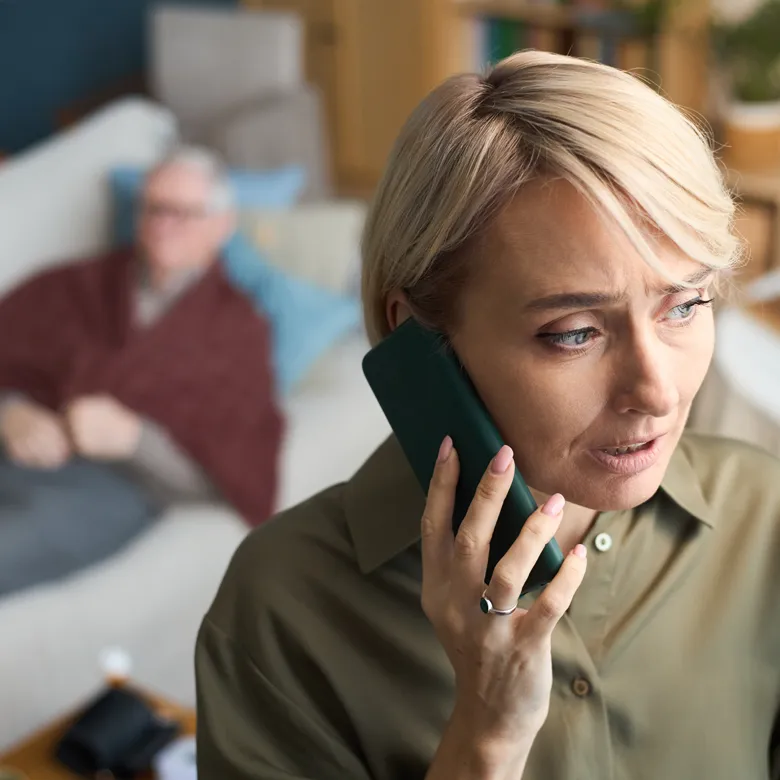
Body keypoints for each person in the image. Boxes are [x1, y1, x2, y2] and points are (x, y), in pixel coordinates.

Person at [195, 51, 780, 779]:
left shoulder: (766, 518)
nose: (656, 391)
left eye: (685, 305)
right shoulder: (285, 607)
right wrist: (488, 735)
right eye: (574, 333)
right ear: (420, 337)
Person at [0, 146, 283, 597]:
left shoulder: (238, 330)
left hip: (114, 487)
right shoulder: (86, 284)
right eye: (153, 208)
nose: (161, 224)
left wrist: (134, 439)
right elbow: (12, 346)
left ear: (221, 225)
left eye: (182, 212)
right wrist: (12, 411)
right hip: (31, 449)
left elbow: (233, 474)